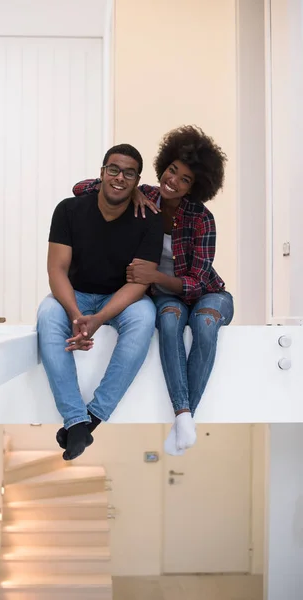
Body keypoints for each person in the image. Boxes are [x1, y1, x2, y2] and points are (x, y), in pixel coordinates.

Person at [72, 125, 234, 456]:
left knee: (203, 323)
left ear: (195, 187)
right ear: (164, 166)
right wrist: (130, 190)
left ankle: (183, 418)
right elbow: (80, 188)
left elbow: (197, 282)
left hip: (208, 295)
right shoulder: (145, 197)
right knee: (171, 321)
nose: (173, 180)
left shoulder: (202, 219)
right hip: (167, 300)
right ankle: (184, 420)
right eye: (172, 170)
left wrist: (154, 276)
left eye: (185, 179)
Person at [37, 143, 163, 461]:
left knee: (146, 316)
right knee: (48, 312)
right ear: (102, 172)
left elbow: (139, 283)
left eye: (129, 173)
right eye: (114, 170)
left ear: (137, 181)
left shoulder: (149, 219)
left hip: (120, 296)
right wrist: (77, 314)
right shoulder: (68, 210)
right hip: (76, 293)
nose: (120, 178)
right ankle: (74, 418)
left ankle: (92, 417)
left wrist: (98, 318)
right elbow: (57, 269)